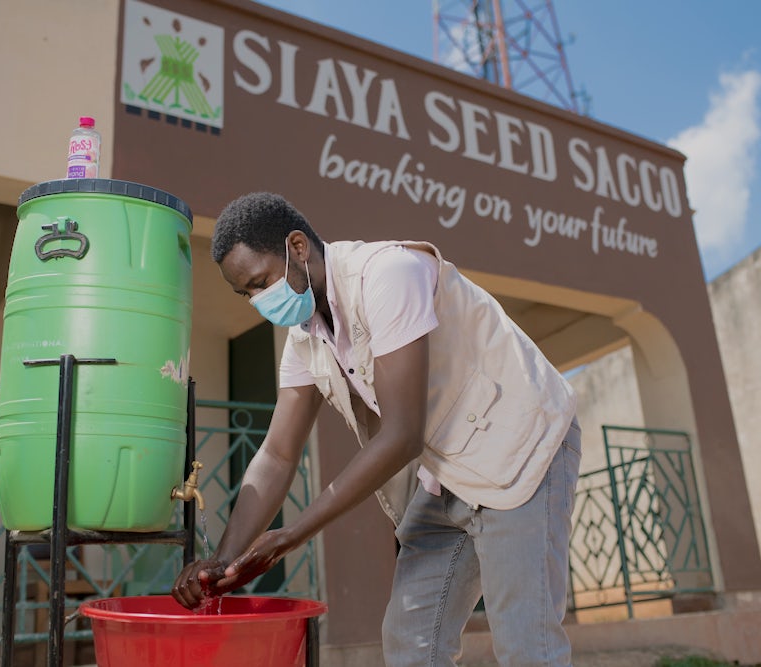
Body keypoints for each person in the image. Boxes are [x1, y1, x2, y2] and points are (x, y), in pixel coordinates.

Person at [171, 192, 582, 666]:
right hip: (448, 473)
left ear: (298, 247)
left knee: (528, 646)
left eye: (261, 282)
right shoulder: (305, 338)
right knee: (412, 639)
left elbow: (403, 434)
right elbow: (278, 455)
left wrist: (291, 536)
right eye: (247, 293)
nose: (259, 301)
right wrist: (223, 560)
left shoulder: (387, 275)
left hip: (521, 449)